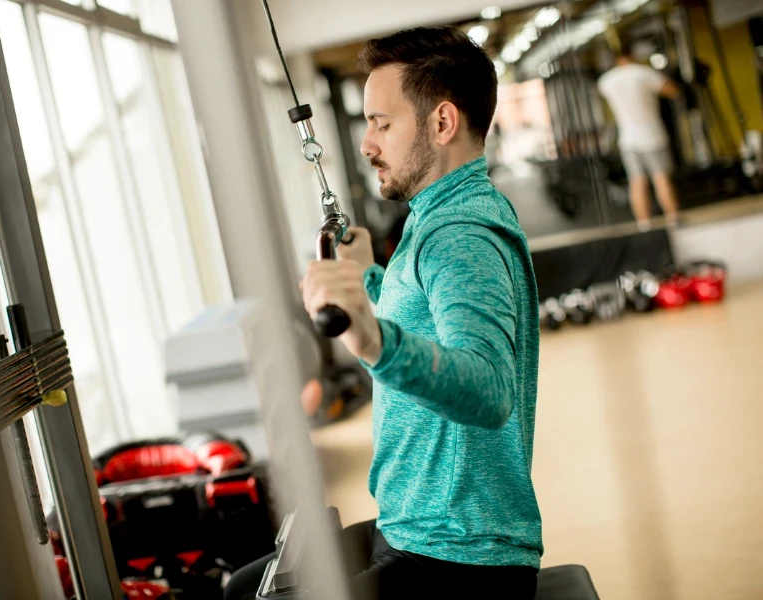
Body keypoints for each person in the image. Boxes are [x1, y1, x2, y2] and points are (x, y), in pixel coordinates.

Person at [225, 27, 542, 600]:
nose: (367, 144)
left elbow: (492, 389)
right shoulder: (436, 212)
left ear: (442, 123)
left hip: (459, 557)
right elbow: (422, 312)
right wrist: (369, 279)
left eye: (382, 123)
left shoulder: (461, 234)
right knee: (243, 586)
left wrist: (370, 340)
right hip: (414, 526)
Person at [597, 50, 682, 230]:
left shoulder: (606, 80)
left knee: (637, 181)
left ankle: (643, 224)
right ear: (632, 56)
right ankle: (674, 218)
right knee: (661, 178)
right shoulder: (644, 73)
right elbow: (673, 91)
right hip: (652, 135)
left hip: (627, 139)